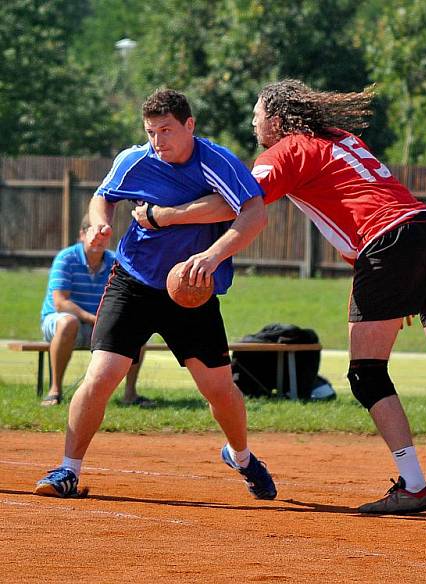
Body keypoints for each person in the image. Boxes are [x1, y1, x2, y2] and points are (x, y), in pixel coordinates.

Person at [134, 80, 426, 515]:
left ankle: (415, 486)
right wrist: (395, 286)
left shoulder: (287, 150)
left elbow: (237, 203)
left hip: (387, 244)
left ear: (276, 118)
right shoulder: (340, 139)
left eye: (256, 115)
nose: (252, 123)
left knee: (366, 374)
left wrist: (164, 216)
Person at [34, 88, 276, 502]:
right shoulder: (135, 160)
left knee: (219, 389)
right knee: (101, 375)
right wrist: (99, 224)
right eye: (151, 132)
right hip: (133, 281)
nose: (158, 141)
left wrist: (213, 255)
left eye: (166, 130)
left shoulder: (214, 161)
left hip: (191, 291)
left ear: (190, 125)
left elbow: (253, 211)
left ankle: (241, 456)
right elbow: (102, 197)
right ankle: (68, 469)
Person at [39, 213, 149, 407]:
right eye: (94, 232)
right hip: (60, 323)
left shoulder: (116, 261)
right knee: (68, 322)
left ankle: (130, 394)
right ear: (82, 234)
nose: (100, 238)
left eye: (104, 234)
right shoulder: (66, 258)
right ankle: (54, 391)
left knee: (136, 329)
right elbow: (60, 303)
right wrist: (92, 318)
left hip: (99, 323)